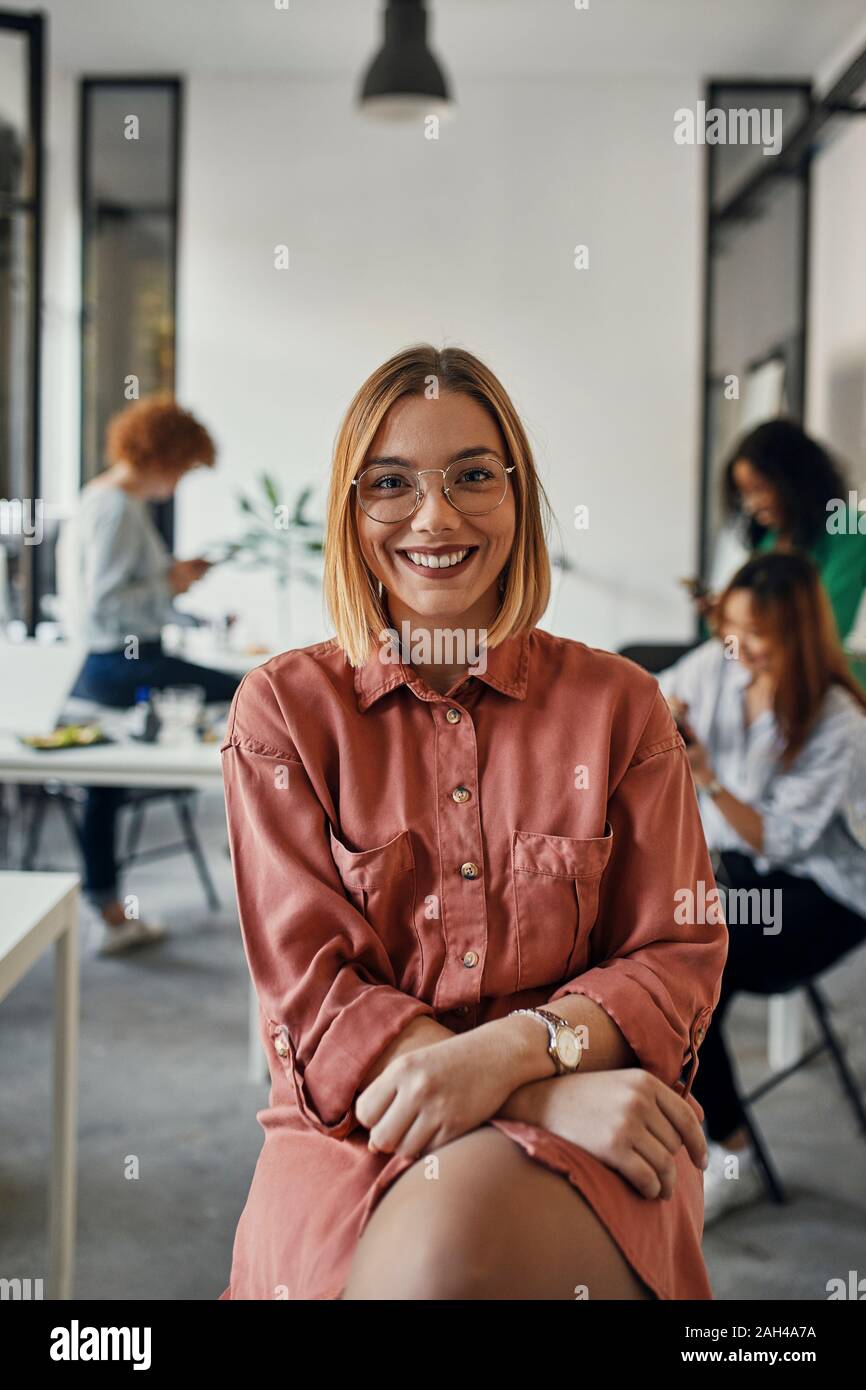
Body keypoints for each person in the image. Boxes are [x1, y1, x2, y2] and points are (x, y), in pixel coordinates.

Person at [217, 344, 727, 1302]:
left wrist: (511, 1053)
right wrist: (539, 1091)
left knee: (447, 1265)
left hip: (600, 1105)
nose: (436, 516)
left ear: (519, 497)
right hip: (363, 1121)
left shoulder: (622, 707)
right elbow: (314, 997)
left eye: (473, 477)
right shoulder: (282, 712)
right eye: (392, 483)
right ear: (351, 510)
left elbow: (674, 955)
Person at [658, 552, 866, 1226]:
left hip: (826, 892)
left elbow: (778, 841)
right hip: (745, 869)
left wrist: (707, 776)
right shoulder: (721, 662)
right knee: (656, 946)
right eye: (730, 627)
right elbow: (656, 692)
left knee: (693, 967)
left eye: (755, 635)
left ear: (798, 637)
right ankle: (698, 1127)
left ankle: (732, 1154)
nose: (735, 645)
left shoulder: (840, 723)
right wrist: (664, 711)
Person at [61, 394, 241, 954]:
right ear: (165, 456)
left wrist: (171, 583)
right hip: (122, 663)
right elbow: (107, 606)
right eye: (184, 469)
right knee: (254, 692)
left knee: (105, 787)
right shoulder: (118, 507)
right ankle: (256, 847)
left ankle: (108, 907)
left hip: (102, 665)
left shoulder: (101, 498)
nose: (180, 480)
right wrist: (171, 582)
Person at [721, 419, 866, 689]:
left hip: (832, 684)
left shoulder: (850, 530)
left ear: (793, 480)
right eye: (745, 495)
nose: (752, 505)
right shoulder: (771, 540)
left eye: (760, 489)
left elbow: (829, 626)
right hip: (775, 680)